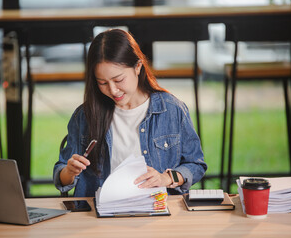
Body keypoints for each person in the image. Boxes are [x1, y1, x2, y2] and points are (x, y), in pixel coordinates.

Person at [53, 29, 207, 197]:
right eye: (102, 83)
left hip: (157, 212)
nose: (112, 90)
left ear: (138, 67)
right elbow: (61, 175)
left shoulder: (171, 109)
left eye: (119, 80)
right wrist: (69, 171)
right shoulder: (85, 115)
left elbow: (195, 164)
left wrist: (166, 178)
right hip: (99, 214)